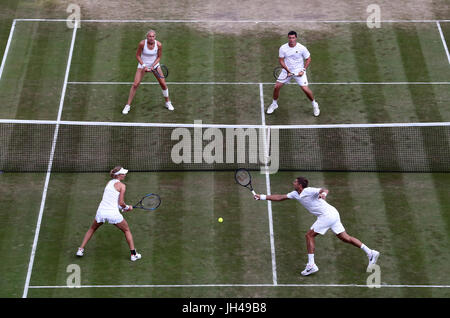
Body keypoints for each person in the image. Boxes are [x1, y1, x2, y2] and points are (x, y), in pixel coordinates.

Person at [254, 177, 379, 276]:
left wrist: (323, 195)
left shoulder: (308, 190)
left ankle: (311, 265)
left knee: (309, 235)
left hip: (327, 215)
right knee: (344, 237)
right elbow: (280, 197)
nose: (293, 182)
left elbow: (324, 190)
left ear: (300, 185)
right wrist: (262, 197)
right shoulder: (295, 193)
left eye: (295, 182)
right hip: (332, 213)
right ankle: (370, 252)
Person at [76, 166, 142, 262]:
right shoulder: (122, 186)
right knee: (127, 230)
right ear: (118, 175)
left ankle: (80, 249)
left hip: (101, 211)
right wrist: (127, 207)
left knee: (92, 228)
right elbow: (121, 203)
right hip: (112, 213)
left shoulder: (109, 183)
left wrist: (123, 208)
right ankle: (133, 255)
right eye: (123, 174)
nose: (125, 175)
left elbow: (113, 201)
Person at [267, 31, 320, 117]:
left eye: (293, 38)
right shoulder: (283, 48)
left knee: (305, 90)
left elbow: (308, 59)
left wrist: (303, 70)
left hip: (299, 70)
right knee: (276, 87)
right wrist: (288, 71)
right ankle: (274, 104)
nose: (291, 40)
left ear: (296, 38)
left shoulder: (302, 48)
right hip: (286, 70)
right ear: (288, 38)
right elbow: (281, 60)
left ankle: (315, 105)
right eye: (290, 38)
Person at [122, 29, 174, 114]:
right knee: (135, 84)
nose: (151, 38)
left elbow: (159, 57)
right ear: (147, 37)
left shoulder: (159, 45)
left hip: (155, 65)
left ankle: (168, 102)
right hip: (143, 64)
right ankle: (127, 106)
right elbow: (138, 55)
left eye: (153, 36)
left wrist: (153, 66)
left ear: (155, 37)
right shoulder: (142, 44)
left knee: (163, 84)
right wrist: (144, 66)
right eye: (150, 36)